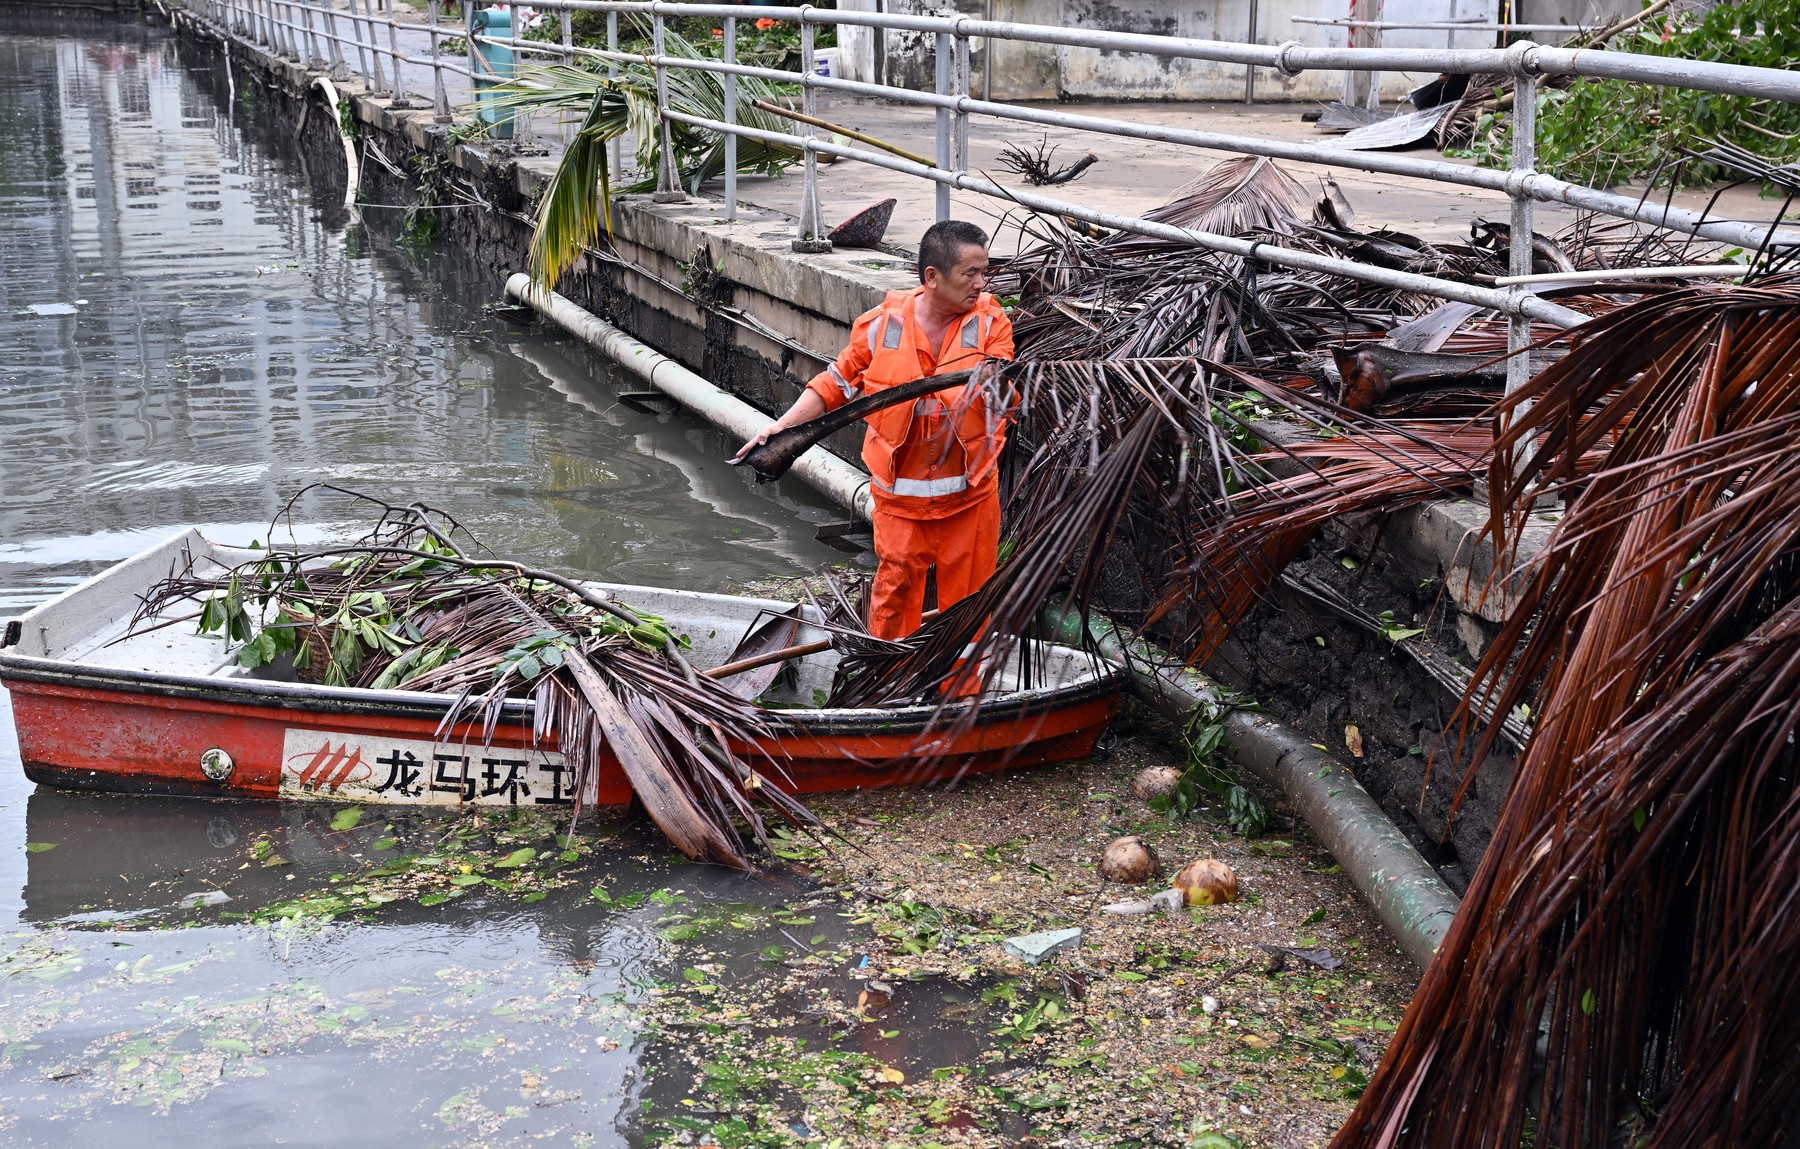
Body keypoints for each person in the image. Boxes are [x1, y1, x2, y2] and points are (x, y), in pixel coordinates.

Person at [735, 220, 1015, 640]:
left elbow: (1003, 386)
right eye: (970, 273)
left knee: (970, 611)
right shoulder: (882, 325)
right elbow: (835, 384)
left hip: (970, 499)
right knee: (893, 603)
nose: (981, 283)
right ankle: (887, 686)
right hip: (901, 503)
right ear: (932, 278)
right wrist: (782, 426)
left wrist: (997, 381)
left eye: (984, 271)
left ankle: (961, 694)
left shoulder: (991, 322)